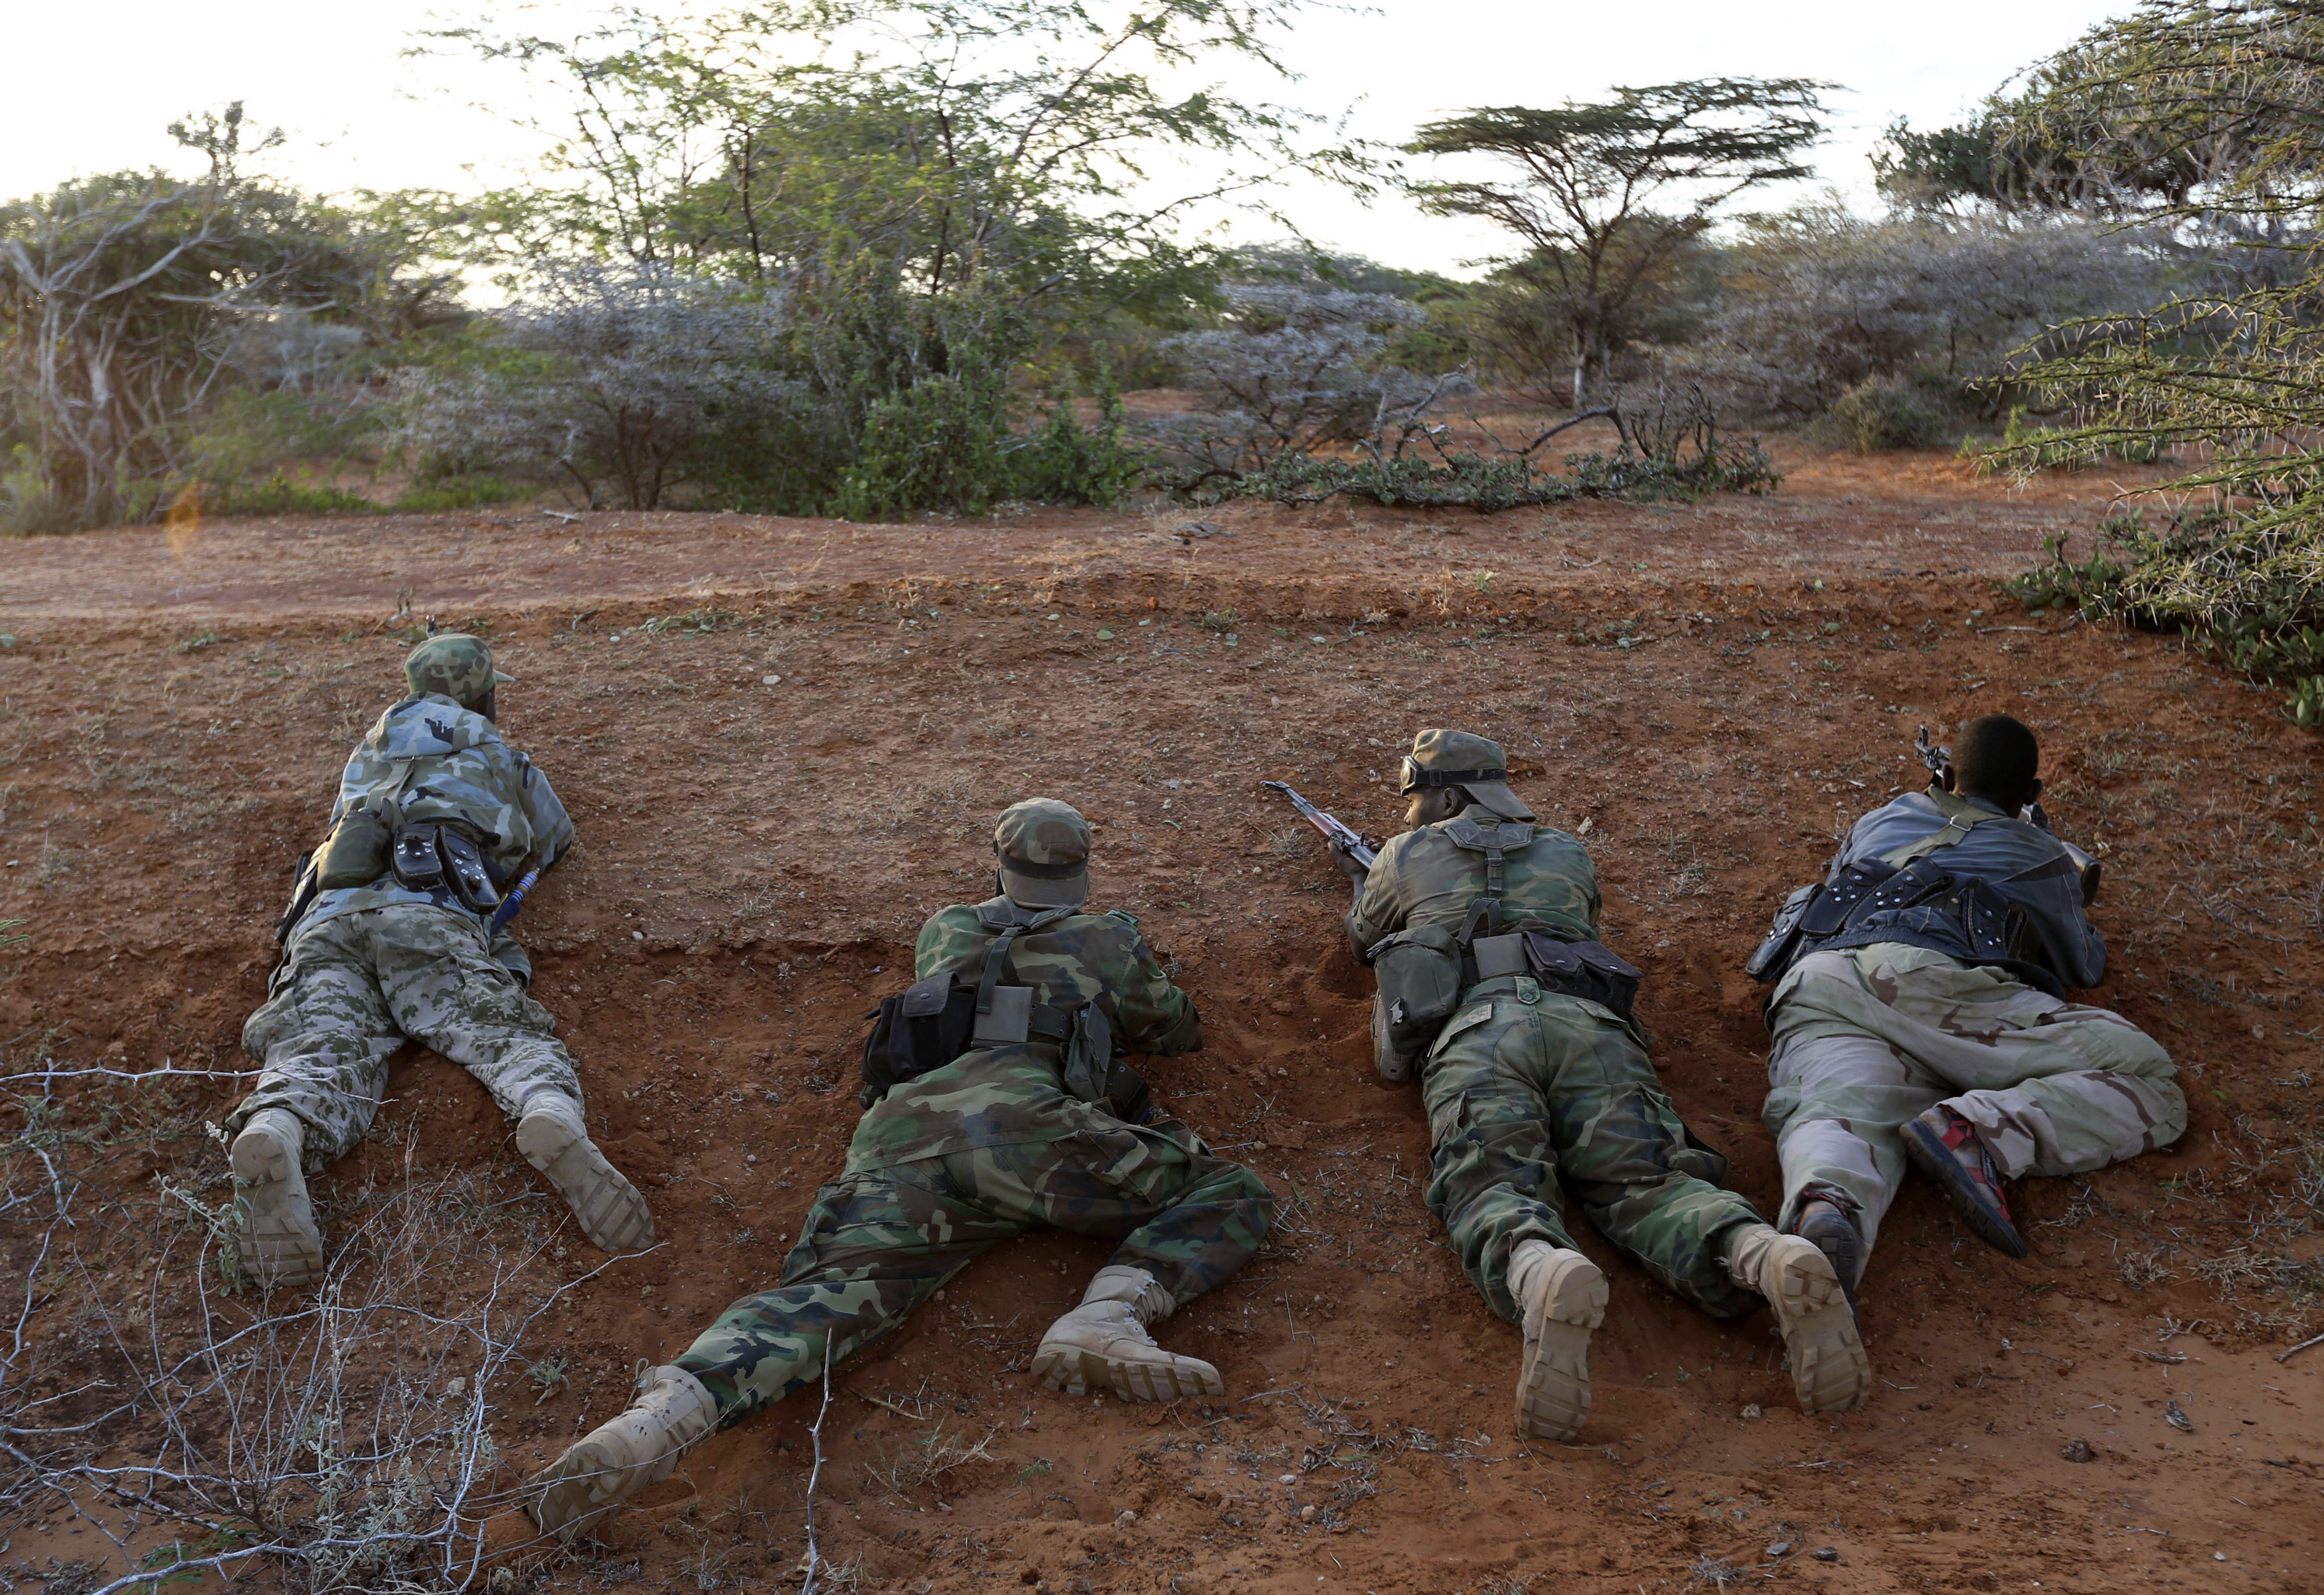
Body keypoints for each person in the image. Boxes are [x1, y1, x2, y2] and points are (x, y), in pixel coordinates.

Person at [526, 798, 1272, 1540]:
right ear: (1081, 874)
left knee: (828, 1294)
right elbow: (1176, 1028)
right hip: (1037, 1134)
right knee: (1228, 1190)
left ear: (999, 866)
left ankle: (667, 1413)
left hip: (899, 1141)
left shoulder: (946, 928)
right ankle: (1107, 1314)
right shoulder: (1105, 937)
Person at [1337, 731, 1868, 1440]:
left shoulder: (1403, 853)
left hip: (1480, 1033)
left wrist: (1371, 880)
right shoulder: (1566, 850)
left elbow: (1361, 939)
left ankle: (1540, 1268)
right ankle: (1760, 1252)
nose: (1409, 813)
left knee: (1490, 1184)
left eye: (1416, 797)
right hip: (1590, 1027)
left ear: (1450, 795)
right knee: (1649, 1181)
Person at [229, 633, 652, 1288]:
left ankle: (278, 1124)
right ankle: (545, 1108)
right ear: (481, 694)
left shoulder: (364, 756)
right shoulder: (499, 753)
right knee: (500, 1035)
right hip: (427, 916)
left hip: (327, 921)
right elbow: (556, 838)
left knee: (319, 1047)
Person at [1749, 713, 2182, 1302]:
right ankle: (1977, 1131)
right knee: (2149, 1075)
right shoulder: (2039, 851)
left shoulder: (1882, 817)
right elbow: (2085, 963)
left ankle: (1825, 1210)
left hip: (1820, 979)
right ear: (2031, 794)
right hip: (1931, 982)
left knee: (1842, 1106)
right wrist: (2054, 865)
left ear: (1949, 776)